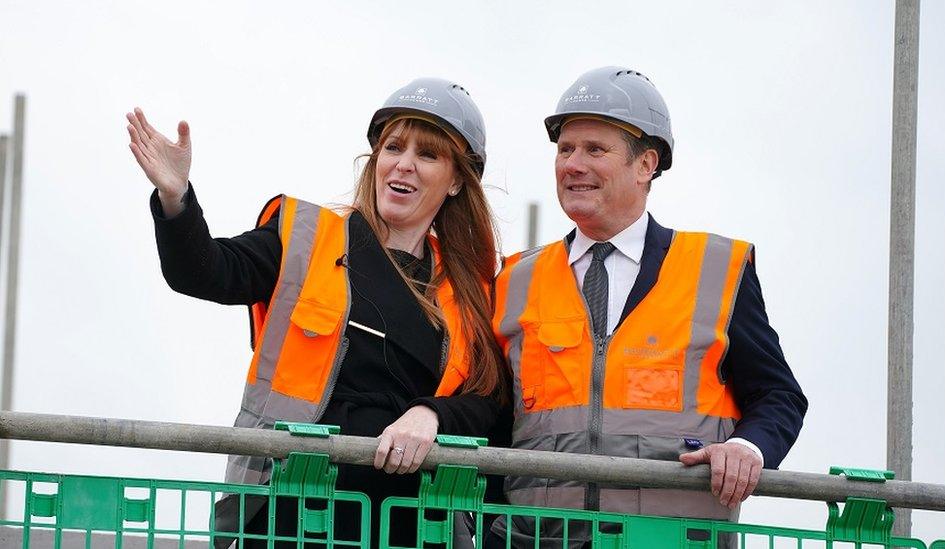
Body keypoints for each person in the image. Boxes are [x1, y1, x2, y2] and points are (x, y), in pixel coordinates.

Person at [125, 77, 509, 548]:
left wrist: (432, 415)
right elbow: (205, 272)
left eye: (427, 155)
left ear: (455, 182)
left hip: (406, 523)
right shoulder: (305, 237)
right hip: (287, 511)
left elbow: (490, 401)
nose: (403, 165)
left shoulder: (471, 289)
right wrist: (175, 197)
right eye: (393, 147)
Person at [489, 66, 807, 546]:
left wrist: (747, 447)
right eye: (565, 149)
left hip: (666, 539)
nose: (572, 164)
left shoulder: (716, 270)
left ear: (646, 165)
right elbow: (491, 409)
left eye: (595, 150)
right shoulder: (515, 278)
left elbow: (778, 396)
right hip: (533, 539)